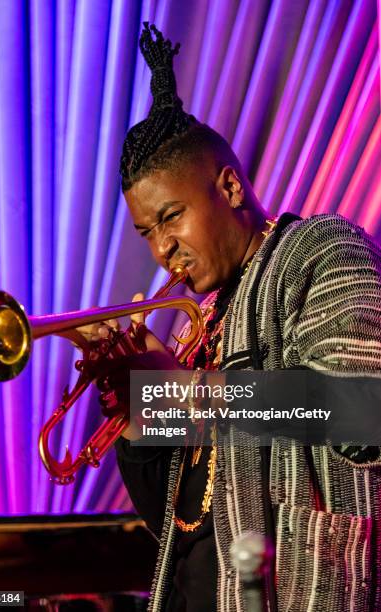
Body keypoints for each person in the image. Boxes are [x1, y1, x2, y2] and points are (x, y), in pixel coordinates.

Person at [92, 23, 381, 612]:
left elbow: (361, 407)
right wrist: (138, 415)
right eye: (147, 232)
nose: (161, 249)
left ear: (228, 186)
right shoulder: (201, 324)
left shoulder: (322, 249)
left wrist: (188, 395)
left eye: (171, 216)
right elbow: (177, 520)